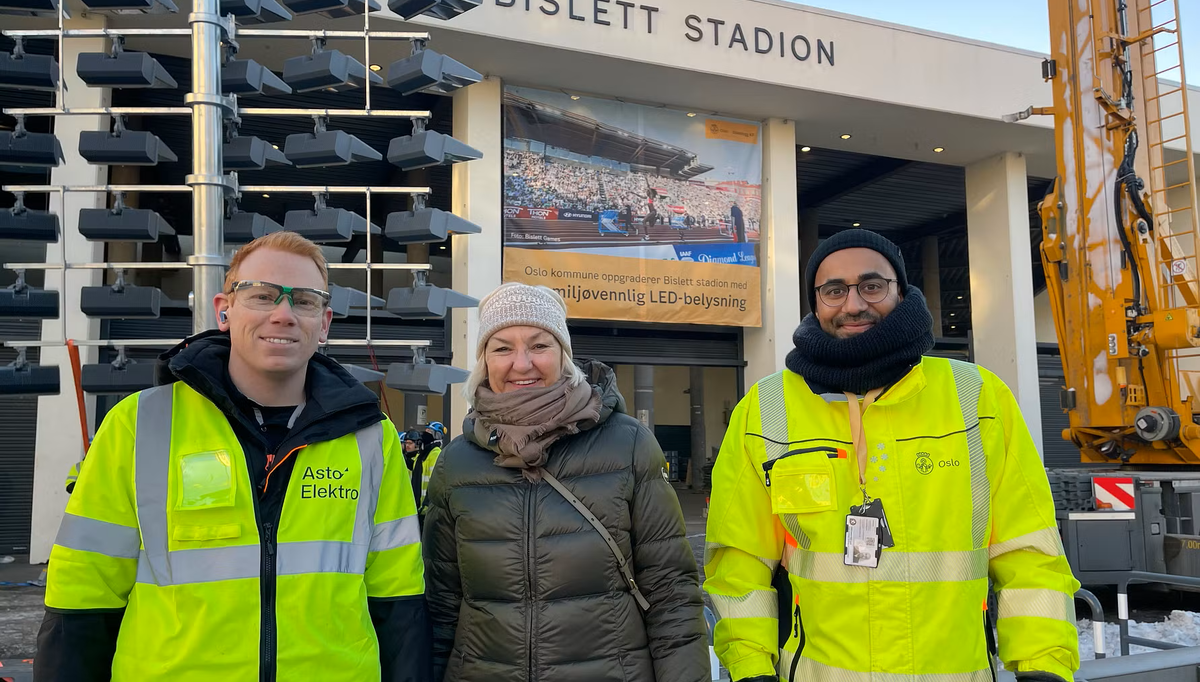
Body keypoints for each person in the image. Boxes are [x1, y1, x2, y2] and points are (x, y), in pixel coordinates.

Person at [36, 231, 432, 682]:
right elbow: (83, 595)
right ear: (224, 310)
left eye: (303, 301)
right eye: (263, 296)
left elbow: (398, 598)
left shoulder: (370, 436)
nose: (283, 314)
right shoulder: (139, 424)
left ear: (323, 324)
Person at [704, 229, 1080, 682]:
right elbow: (738, 563)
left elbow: (1030, 553)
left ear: (901, 292)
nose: (854, 304)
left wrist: (1044, 666)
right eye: (834, 290)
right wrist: (750, 668)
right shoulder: (764, 410)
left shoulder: (978, 398)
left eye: (872, 285)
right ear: (815, 302)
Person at [423, 282, 709, 682]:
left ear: (564, 354)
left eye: (539, 345)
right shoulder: (457, 463)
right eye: (502, 348)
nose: (521, 364)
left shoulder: (627, 445)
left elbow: (671, 594)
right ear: (484, 361)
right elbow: (440, 607)